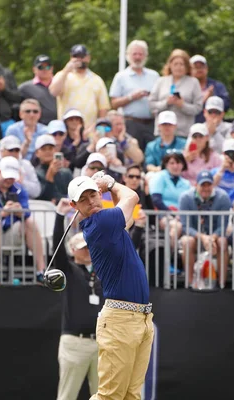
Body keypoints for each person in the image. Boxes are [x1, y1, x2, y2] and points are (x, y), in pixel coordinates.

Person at [66, 171, 153, 400]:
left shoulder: (110, 223)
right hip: (120, 319)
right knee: (110, 396)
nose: (90, 202)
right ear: (74, 205)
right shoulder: (99, 223)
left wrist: (107, 189)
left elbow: (129, 219)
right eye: (83, 199)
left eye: (93, 195)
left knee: (131, 395)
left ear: (99, 195)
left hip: (141, 318)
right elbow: (132, 197)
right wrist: (110, 183)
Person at [52, 198, 102, 400]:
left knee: (104, 396)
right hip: (75, 342)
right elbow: (57, 250)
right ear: (73, 250)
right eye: (83, 247)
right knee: (67, 396)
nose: (88, 250)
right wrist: (59, 217)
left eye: (89, 247)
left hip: (100, 344)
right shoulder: (68, 270)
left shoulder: (99, 272)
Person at [0, 156, 46, 284]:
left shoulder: (19, 189)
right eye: (7, 176)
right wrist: (1, 213)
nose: (9, 180)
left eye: (12, 177)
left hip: (9, 230)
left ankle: (42, 271)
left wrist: (20, 212)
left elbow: (27, 212)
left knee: (30, 222)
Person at [179, 171, 231, 288]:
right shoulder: (186, 197)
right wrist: (202, 237)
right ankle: (190, 284)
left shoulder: (223, 197)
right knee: (187, 241)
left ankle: (221, 284)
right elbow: (185, 226)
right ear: (196, 185)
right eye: (203, 185)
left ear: (213, 185)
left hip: (215, 238)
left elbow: (223, 225)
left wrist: (212, 238)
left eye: (209, 185)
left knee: (223, 242)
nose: (206, 188)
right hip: (195, 237)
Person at [109, 40, 159, 151]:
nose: (137, 57)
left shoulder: (154, 76)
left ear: (145, 56)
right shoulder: (121, 76)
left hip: (151, 123)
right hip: (131, 123)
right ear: (128, 56)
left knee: (151, 153)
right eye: (134, 54)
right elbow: (113, 103)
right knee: (133, 153)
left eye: (140, 54)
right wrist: (131, 97)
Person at [49, 44, 110, 128]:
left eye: (82, 56)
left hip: (89, 130)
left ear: (88, 58)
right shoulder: (62, 75)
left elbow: (103, 108)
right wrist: (66, 70)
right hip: (66, 130)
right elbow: (53, 92)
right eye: (76, 57)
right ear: (71, 58)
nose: (79, 60)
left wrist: (101, 128)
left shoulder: (97, 79)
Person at [148, 48, 203, 137]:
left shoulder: (193, 82)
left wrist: (182, 105)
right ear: (170, 65)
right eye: (175, 64)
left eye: (181, 64)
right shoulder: (161, 81)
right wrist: (166, 103)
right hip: (162, 132)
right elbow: (151, 105)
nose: (178, 67)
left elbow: (198, 107)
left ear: (187, 66)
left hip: (183, 131)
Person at [190, 54, 230, 123]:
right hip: (193, 126)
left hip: (215, 126)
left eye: (201, 67)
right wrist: (203, 100)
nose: (199, 70)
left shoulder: (217, 86)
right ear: (190, 70)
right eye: (196, 67)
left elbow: (226, 105)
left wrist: (213, 98)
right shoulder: (186, 88)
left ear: (207, 69)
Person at [33, 135, 73, 203]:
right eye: (43, 149)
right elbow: (42, 198)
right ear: (37, 153)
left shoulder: (66, 172)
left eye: (50, 148)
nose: (47, 151)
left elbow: (73, 195)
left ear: (55, 150)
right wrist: (50, 176)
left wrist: (58, 200)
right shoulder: (34, 173)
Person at [19, 55, 57, 124]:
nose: (45, 69)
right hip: (37, 128)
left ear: (52, 69)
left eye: (48, 67)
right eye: (41, 67)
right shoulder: (25, 88)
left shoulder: (60, 85)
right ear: (34, 69)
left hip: (59, 128)